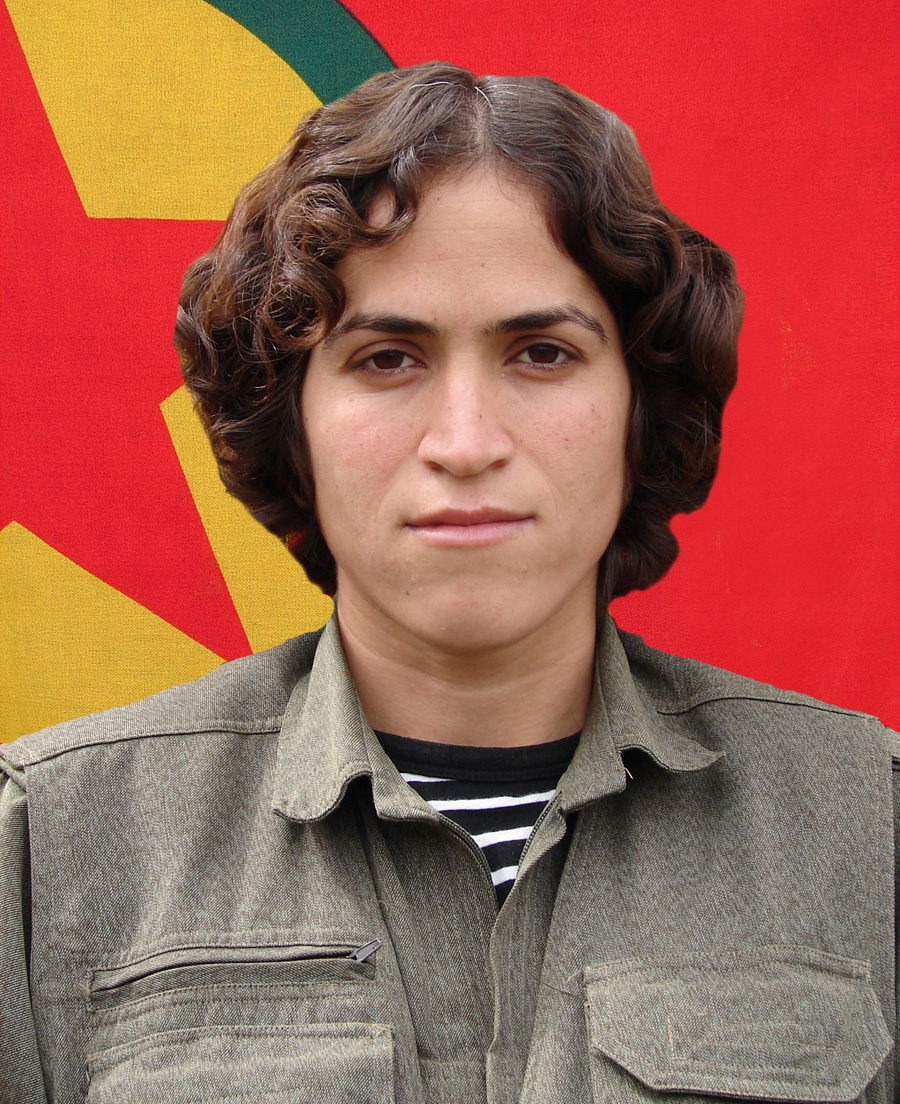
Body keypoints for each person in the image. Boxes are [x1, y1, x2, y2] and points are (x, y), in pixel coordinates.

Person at [1, 62, 896, 1103]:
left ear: (639, 410)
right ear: (292, 423)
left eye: (543, 354)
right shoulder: (51, 850)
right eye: (387, 358)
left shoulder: (868, 825)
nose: (466, 444)